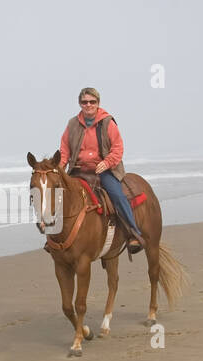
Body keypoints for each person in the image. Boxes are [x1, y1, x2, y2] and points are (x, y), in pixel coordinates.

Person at [58, 87, 145, 253]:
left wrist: (106, 163)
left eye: (92, 102)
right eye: (85, 102)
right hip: (78, 170)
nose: (88, 105)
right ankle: (54, 236)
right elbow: (65, 151)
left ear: (98, 103)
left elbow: (118, 148)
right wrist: (60, 167)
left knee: (117, 196)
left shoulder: (107, 122)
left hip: (104, 170)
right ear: (80, 104)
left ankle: (134, 233)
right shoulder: (72, 124)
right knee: (57, 193)